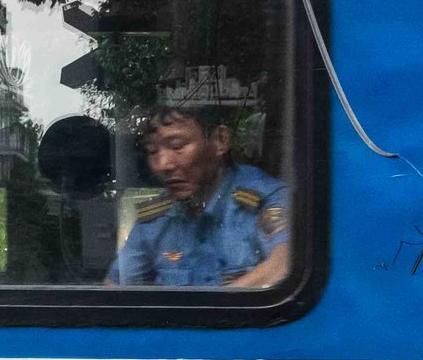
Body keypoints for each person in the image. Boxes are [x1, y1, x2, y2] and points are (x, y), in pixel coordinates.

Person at [106, 105, 289, 288]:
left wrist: (208, 313)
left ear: (220, 140)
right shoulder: (156, 219)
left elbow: (284, 264)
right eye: (152, 151)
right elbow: (115, 288)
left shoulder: (262, 200)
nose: (163, 165)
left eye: (177, 146)